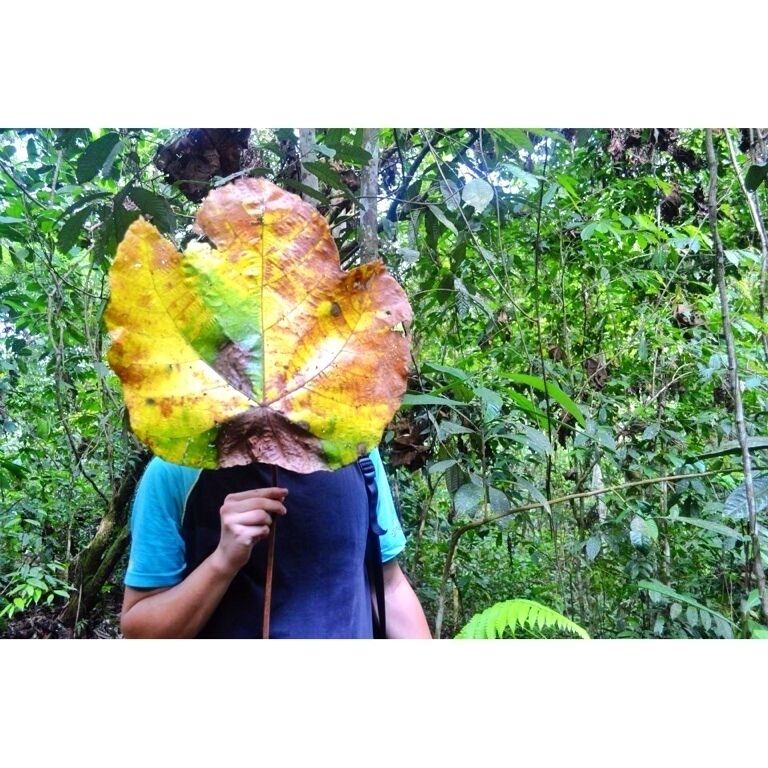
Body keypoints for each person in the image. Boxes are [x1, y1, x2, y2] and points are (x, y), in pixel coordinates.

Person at [120, 448, 431, 639]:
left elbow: (388, 586)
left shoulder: (356, 453)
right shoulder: (178, 469)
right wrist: (222, 562)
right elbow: (140, 629)